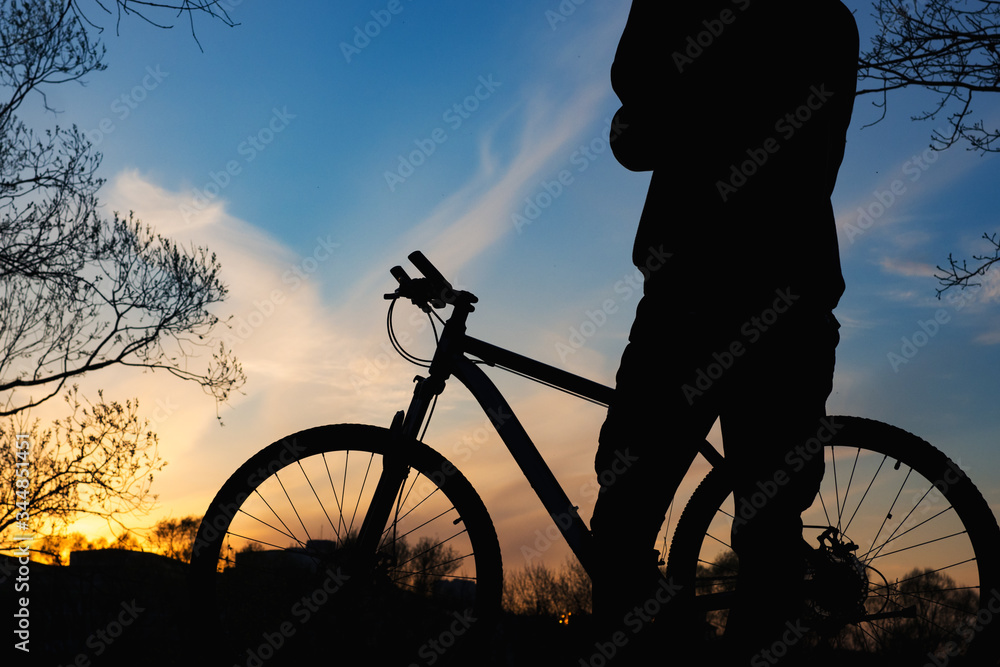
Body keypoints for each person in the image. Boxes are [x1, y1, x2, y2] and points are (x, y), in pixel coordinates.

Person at [589, 0, 859, 662]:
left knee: (626, 520)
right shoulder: (827, 20)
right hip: (787, 293)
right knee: (767, 532)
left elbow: (637, 102)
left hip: (695, 294)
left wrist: (653, 123)